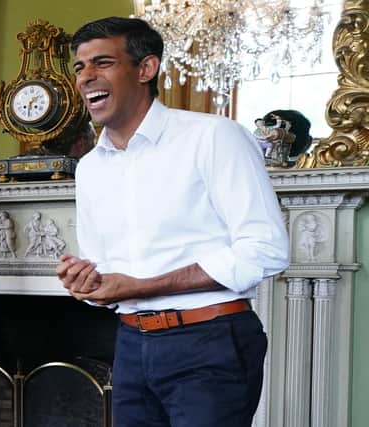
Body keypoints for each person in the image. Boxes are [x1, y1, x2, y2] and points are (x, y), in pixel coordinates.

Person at [55, 17, 289, 427]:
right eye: (80, 66)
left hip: (209, 343)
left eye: (102, 63)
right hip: (129, 345)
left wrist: (141, 286)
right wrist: (85, 282)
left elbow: (264, 251)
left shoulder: (214, 137)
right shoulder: (89, 168)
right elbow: (105, 273)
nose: (86, 76)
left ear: (145, 69)